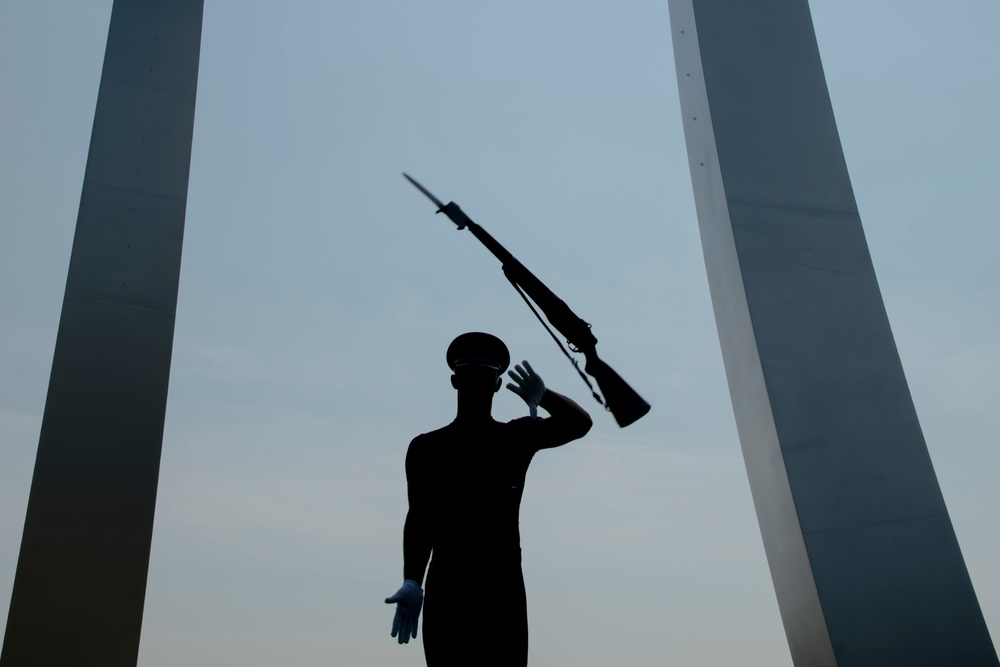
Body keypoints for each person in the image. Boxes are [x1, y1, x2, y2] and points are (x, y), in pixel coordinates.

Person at [385, 332, 593, 666]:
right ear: (497, 385)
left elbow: (420, 518)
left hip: (471, 583)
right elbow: (578, 423)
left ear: (455, 381)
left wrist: (413, 579)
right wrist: (545, 396)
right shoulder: (512, 438)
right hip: (490, 583)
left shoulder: (431, 446)